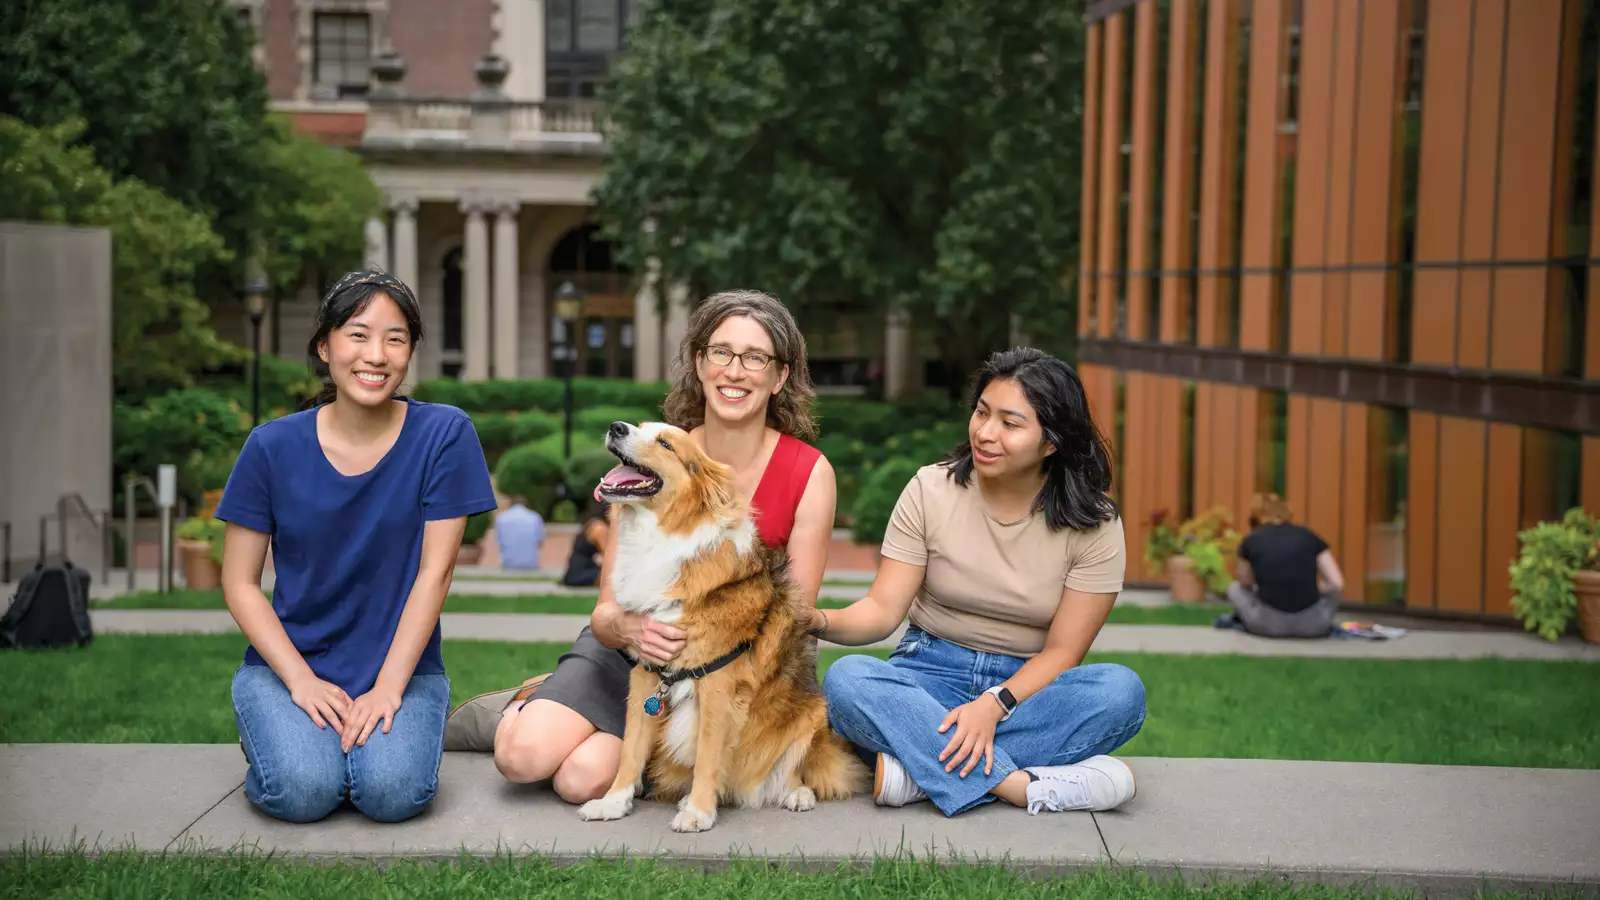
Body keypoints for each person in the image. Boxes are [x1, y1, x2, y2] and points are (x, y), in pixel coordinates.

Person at [442, 289, 838, 805]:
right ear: (699, 362)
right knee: (522, 757)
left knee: (579, 780)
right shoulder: (651, 457)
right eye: (721, 352)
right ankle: (527, 703)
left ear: (780, 375)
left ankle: (587, 729)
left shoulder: (809, 473)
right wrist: (633, 629)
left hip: (720, 675)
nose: (735, 370)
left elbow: (792, 621)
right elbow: (606, 611)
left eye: (755, 357)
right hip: (629, 652)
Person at [806, 347, 1146, 819]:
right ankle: (1018, 786)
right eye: (982, 413)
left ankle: (918, 772)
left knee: (1120, 693)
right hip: (927, 676)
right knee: (848, 680)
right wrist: (816, 620)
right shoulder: (930, 489)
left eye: (1010, 423)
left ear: (1051, 442)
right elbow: (883, 611)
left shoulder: (1095, 523)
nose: (985, 433)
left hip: (1027, 689)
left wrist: (995, 705)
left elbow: (1064, 654)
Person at [215, 271, 497, 824]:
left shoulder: (445, 434)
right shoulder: (270, 446)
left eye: (396, 338)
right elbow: (239, 583)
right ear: (325, 346)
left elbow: (433, 575)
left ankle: (340, 748)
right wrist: (299, 681)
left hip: (405, 670)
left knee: (391, 795)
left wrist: (389, 688)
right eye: (358, 334)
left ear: (412, 350)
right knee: (303, 792)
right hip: (288, 666)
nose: (377, 354)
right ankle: (283, 741)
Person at [1224, 493, 1345, 637]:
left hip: (1267, 625)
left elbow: (1245, 582)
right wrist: (1308, 589)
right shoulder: (1309, 536)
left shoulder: (1251, 540)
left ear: (1255, 518)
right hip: (1314, 626)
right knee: (1334, 592)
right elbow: (1337, 583)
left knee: (1235, 588)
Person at [559, 501, 609, 587]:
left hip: (575, 570)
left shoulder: (592, 523)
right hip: (583, 572)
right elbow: (608, 556)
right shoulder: (599, 528)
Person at [494, 495, 546, 571]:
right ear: (526, 505)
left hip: (508, 564)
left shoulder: (502, 518)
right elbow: (540, 541)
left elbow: (499, 542)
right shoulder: (534, 517)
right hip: (531, 563)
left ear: (511, 505)